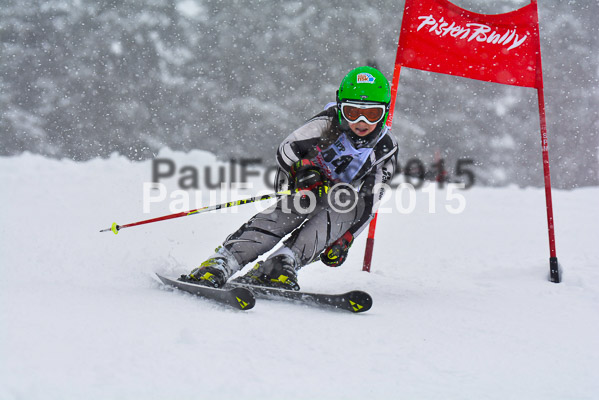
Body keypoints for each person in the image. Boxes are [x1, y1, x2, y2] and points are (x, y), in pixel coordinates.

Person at [184, 66, 398, 290]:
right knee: (303, 202)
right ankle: (224, 261)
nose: (361, 121)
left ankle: (282, 262)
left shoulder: (386, 147)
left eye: (372, 114)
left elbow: (371, 200)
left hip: (338, 201)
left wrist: (347, 238)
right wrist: (304, 170)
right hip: (304, 185)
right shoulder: (327, 123)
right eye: (352, 113)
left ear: (384, 112)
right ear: (340, 107)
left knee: (349, 201)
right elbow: (286, 150)